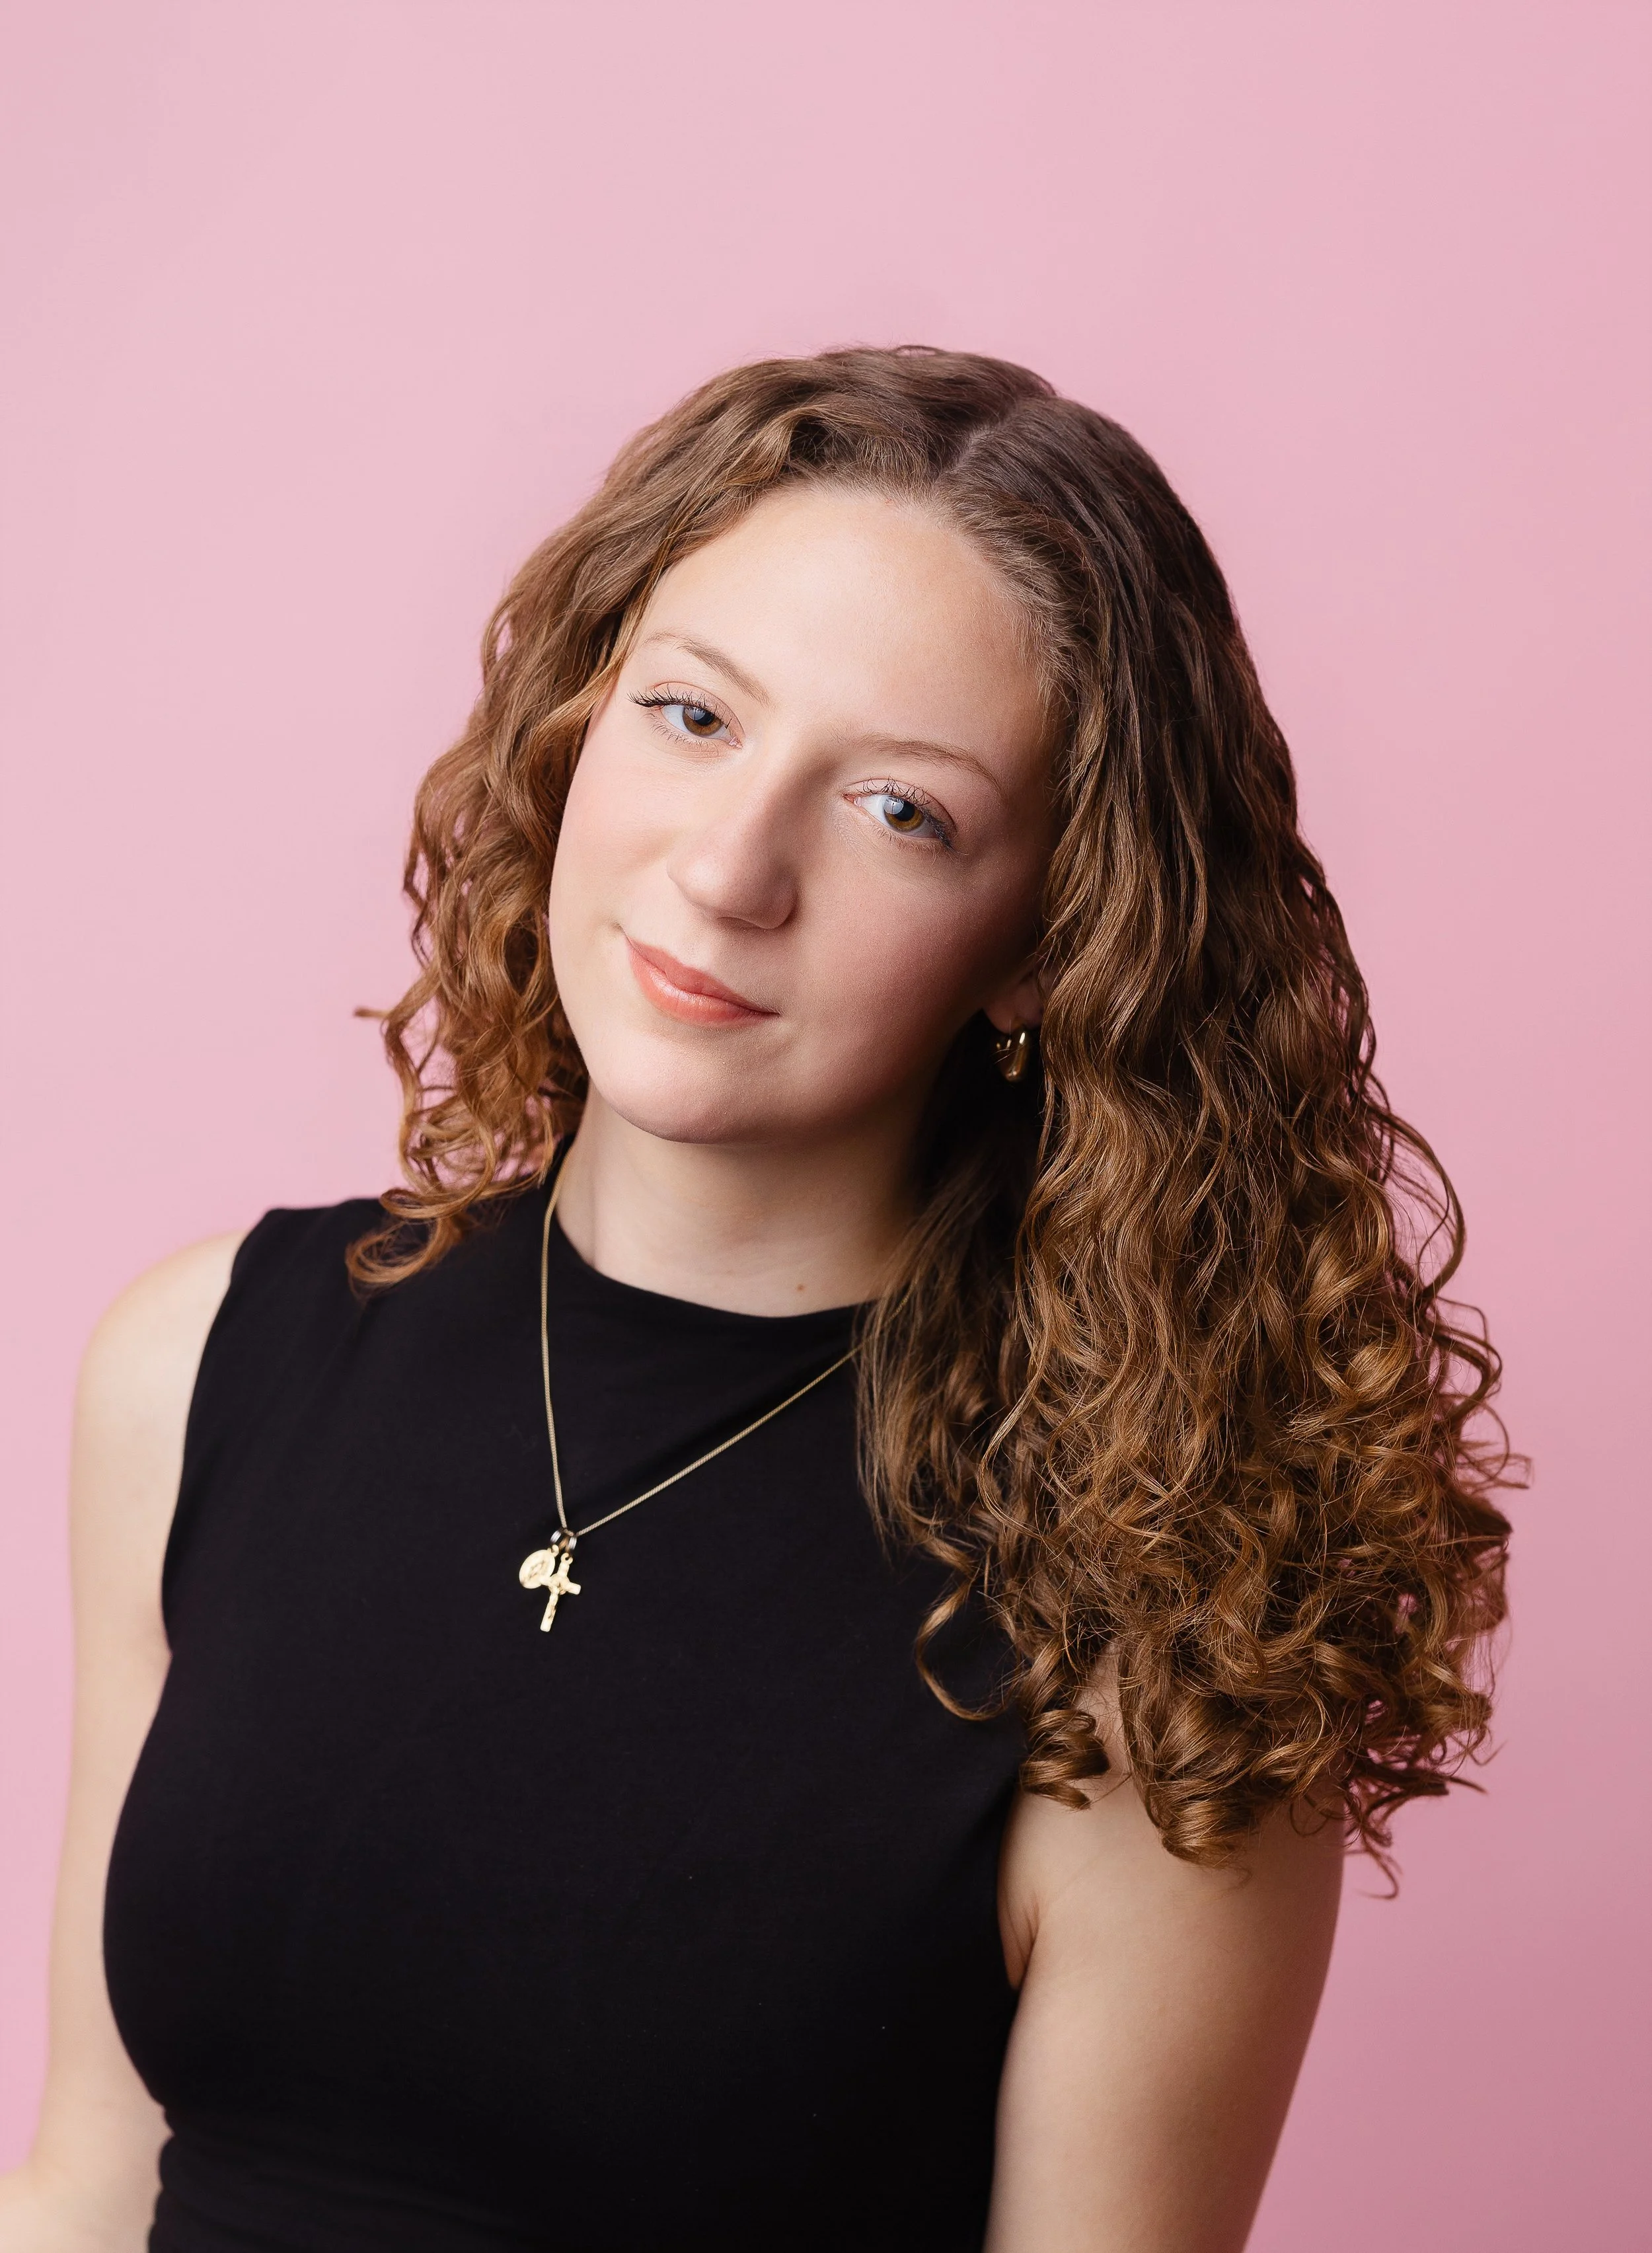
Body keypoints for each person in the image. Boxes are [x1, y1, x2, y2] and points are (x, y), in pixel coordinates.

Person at [0, 348, 1512, 2252]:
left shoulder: (1150, 1626)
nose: (727, 871)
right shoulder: (197, 1363)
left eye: (902, 812)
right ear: (577, 722)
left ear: (1052, 943)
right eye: (692, 714)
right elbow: (86, 2185)